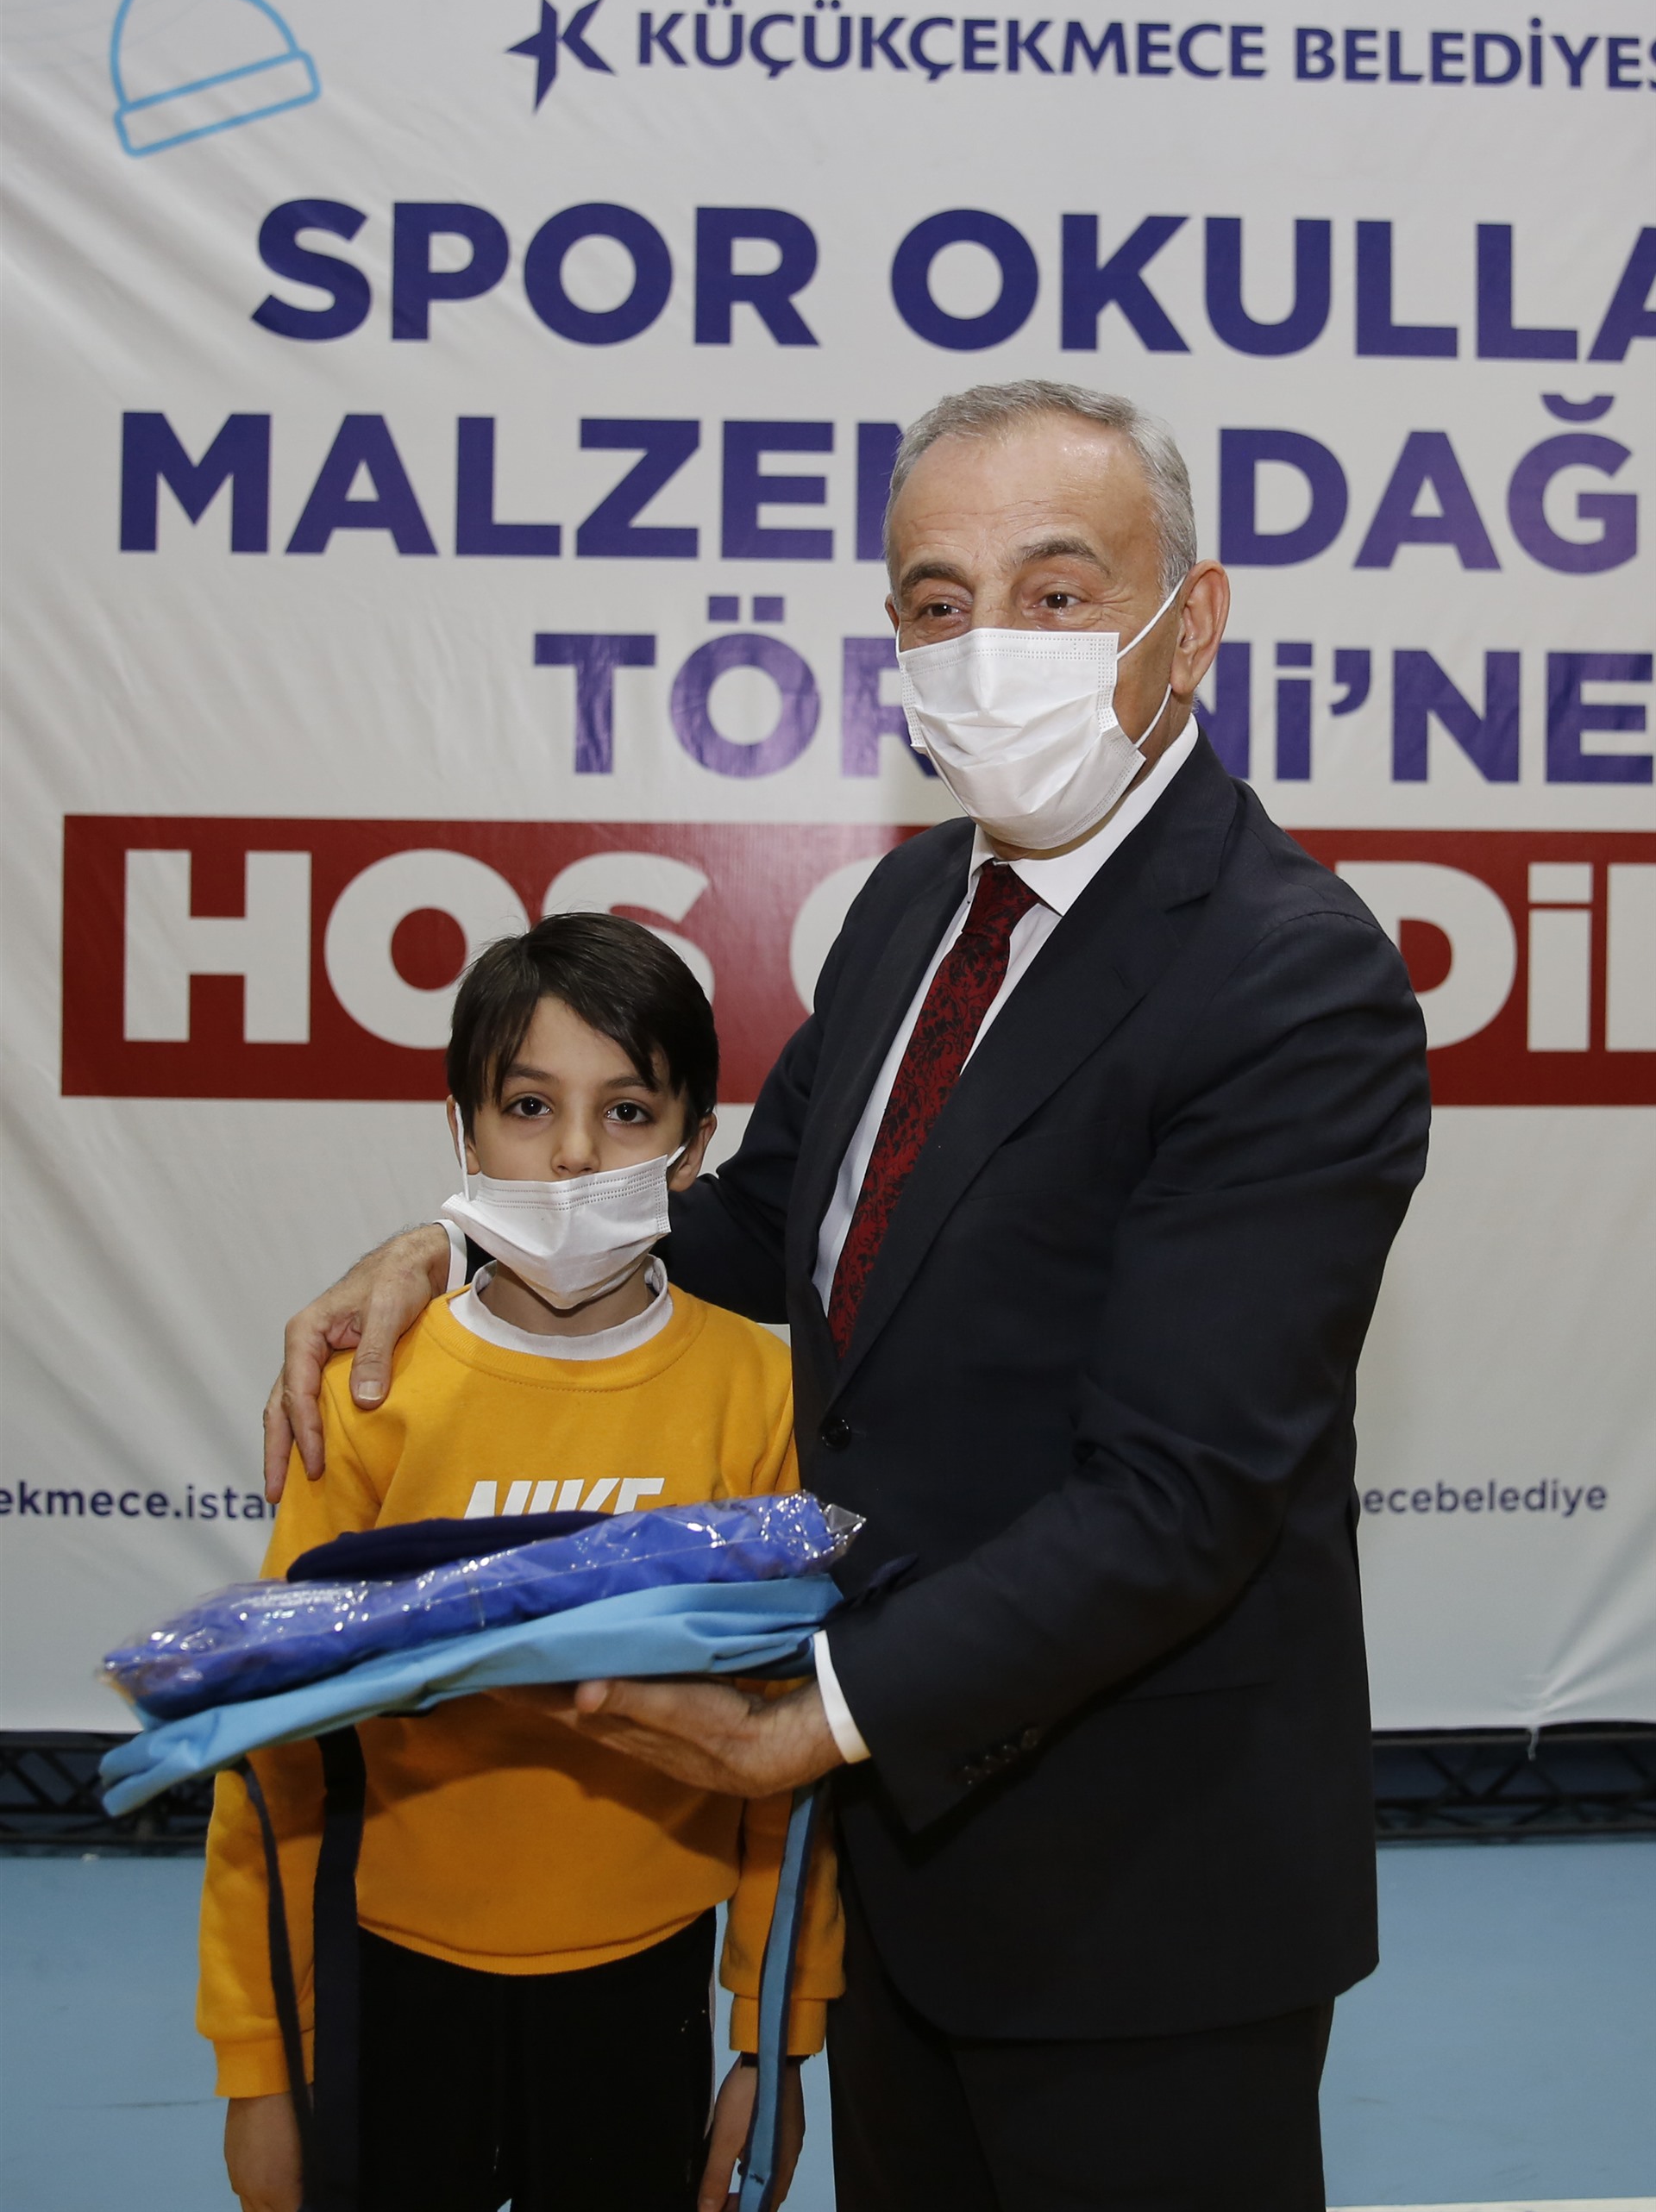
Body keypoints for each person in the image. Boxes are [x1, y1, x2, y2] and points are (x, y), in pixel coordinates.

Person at [268, 382, 1431, 2212]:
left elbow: (1181, 1496)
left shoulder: (1293, 984)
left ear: (1192, 621)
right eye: (938, 601)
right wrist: (480, 1235)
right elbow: (764, 1230)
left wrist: (810, 1715)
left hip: (1140, 1896)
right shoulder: (912, 909)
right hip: (903, 1854)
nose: (989, 648)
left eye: (1057, 592)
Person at [213, 912, 841, 2212]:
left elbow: (789, 1745)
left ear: (694, 1148)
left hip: (647, 1981)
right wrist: (262, 2067)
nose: (571, 1155)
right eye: (527, 1105)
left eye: (627, 1112)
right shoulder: (371, 1395)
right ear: (461, 1130)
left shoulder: (758, 1392)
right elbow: (266, 1745)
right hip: (389, 1975)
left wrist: (771, 2042)